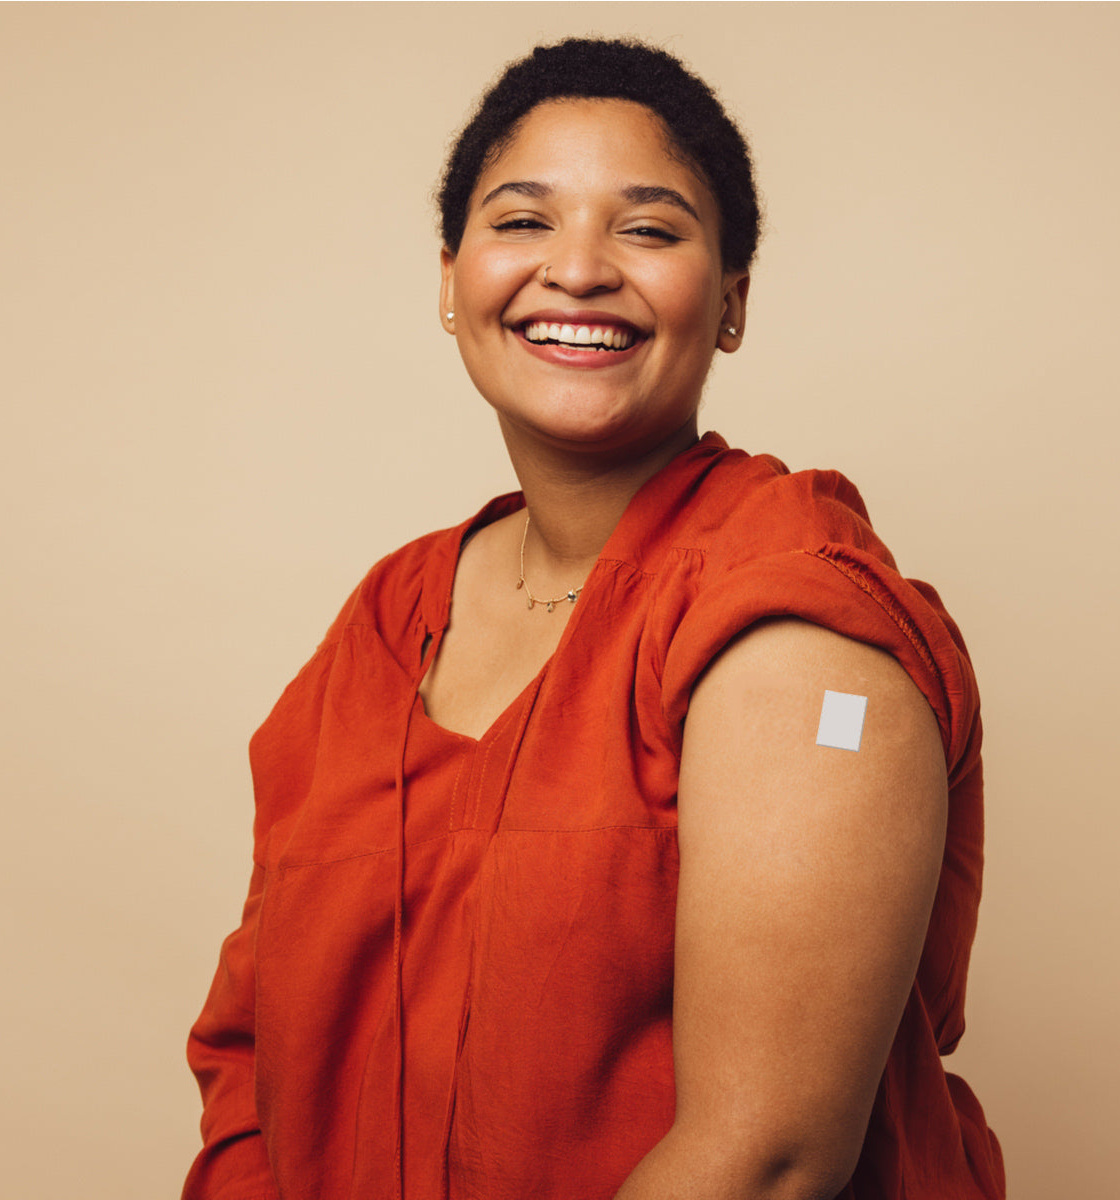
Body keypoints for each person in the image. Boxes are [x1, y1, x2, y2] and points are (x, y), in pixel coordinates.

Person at [182, 37, 1005, 1200]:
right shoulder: (384, 620)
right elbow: (252, 1057)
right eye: (522, 221)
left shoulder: (794, 626)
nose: (576, 270)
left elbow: (764, 1160)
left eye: (650, 228)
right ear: (449, 278)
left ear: (729, 305)